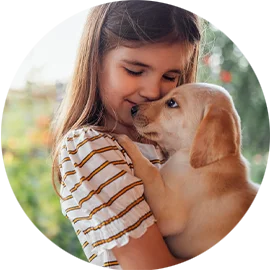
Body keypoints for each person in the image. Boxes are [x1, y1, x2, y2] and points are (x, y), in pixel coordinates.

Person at [50, 0, 202, 269]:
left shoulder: (170, 147)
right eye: (134, 70)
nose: (153, 92)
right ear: (95, 60)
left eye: (170, 76)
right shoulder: (88, 148)